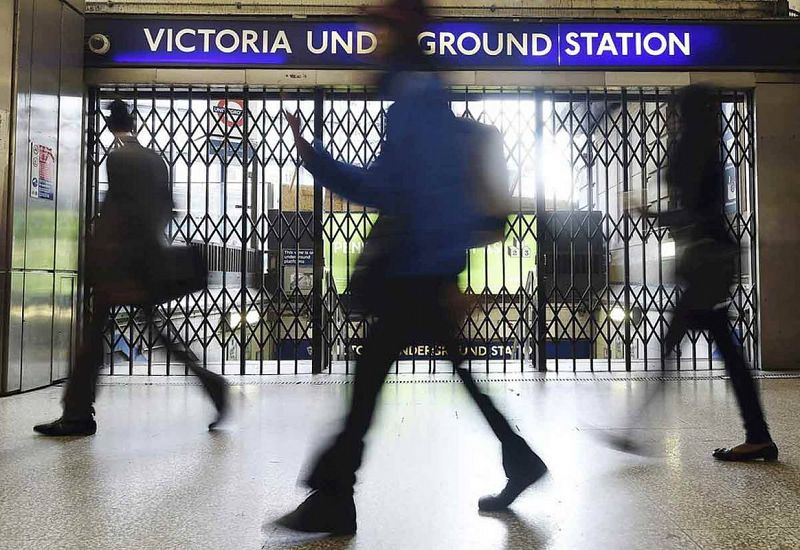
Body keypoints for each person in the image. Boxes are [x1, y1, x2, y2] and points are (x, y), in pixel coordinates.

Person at [276, 0, 546, 535]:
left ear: (394, 32)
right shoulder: (423, 91)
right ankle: (518, 456)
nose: (366, 42)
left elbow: (396, 188)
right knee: (447, 373)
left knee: (370, 378)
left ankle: (334, 496)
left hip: (414, 270)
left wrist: (317, 160)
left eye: (373, 30)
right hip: (426, 268)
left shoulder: (413, 95)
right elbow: (423, 188)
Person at [34, 100, 229, 437]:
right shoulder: (156, 159)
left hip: (125, 264)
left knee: (94, 339)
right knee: (149, 333)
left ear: (111, 126)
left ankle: (78, 414)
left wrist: (109, 258)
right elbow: (166, 208)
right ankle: (213, 387)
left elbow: (122, 214)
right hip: (146, 259)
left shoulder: (119, 157)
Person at [650, 85, 777, 462]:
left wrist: (652, 215)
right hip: (715, 258)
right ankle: (758, 435)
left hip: (702, 262)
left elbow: (692, 213)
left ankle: (634, 430)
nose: (668, 117)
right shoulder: (712, 146)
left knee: (673, 344)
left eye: (673, 111)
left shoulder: (688, 150)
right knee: (723, 348)